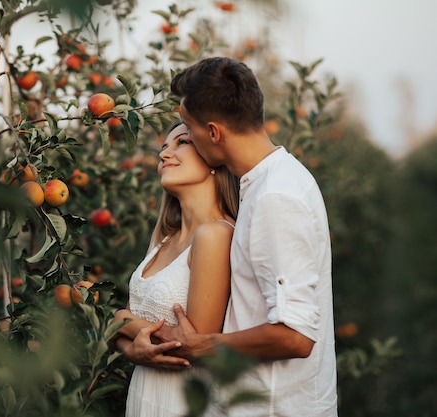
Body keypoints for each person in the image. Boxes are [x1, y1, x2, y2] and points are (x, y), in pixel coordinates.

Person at [119, 57, 338, 416]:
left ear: (213, 133)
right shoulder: (265, 185)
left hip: (273, 407)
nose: (167, 150)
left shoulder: (275, 196)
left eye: (188, 131)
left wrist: (201, 345)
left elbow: (295, 336)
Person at [111, 122, 240, 417]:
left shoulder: (216, 234)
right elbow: (125, 326)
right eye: (163, 148)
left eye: (181, 142)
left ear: (213, 158)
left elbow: (191, 345)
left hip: (182, 403)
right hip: (145, 397)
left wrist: (120, 319)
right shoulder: (165, 239)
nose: (165, 154)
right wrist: (130, 348)